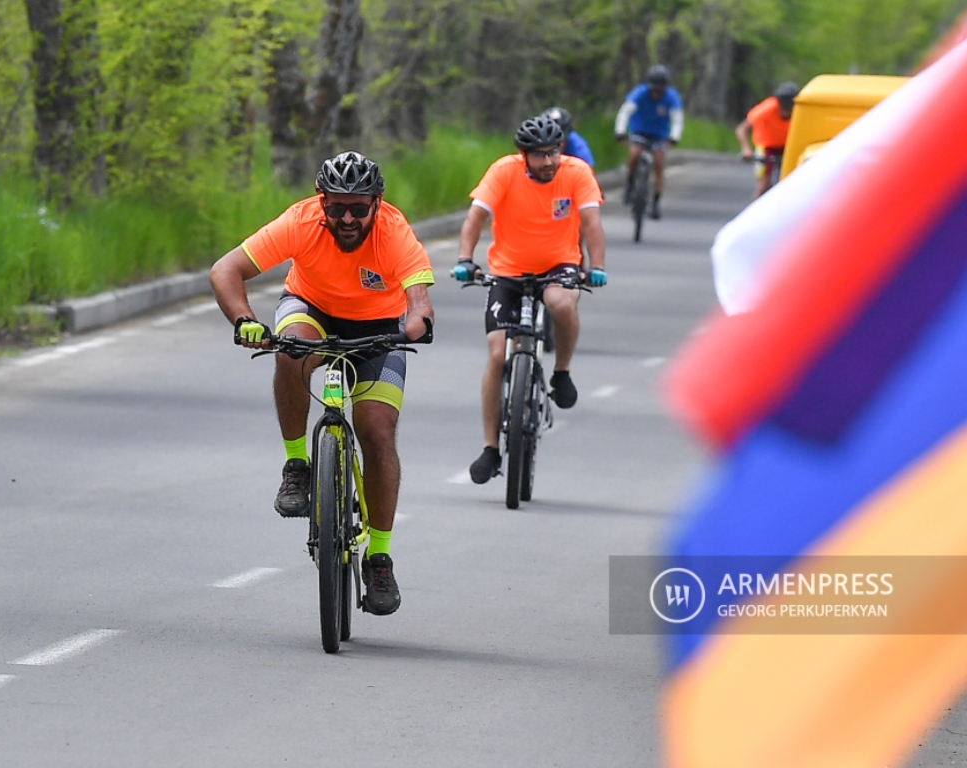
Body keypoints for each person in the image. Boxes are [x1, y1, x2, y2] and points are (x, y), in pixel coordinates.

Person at [209, 151, 435, 616]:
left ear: (378, 202)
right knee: (290, 349)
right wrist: (244, 320)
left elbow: (418, 302)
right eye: (336, 207)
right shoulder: (300, 221)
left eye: (358, 207)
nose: (347, 218)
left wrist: (417, 324)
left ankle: (379, 557)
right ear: (321, 202)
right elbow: (224, 270)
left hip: (378, 327)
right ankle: (297, 467)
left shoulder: (395, 232)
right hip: (311, 308)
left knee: (376, 429)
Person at [451, 115, 607, 484]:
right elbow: (475, 218)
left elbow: (591, 223)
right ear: (524, 157)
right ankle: (491, 448)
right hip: (507, 271)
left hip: (559, 265)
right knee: (495, 354)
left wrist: (596, 265)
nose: (549, 161)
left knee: (561, 304)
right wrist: (463, 259)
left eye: (553, 152)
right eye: (539, 155)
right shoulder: (504, 172)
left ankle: (562, 373)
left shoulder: (577, 172)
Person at [614, 64, 684, 220]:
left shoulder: (672, 97)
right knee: (634, 154)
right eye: (654, 90)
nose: (656, 94)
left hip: (659, 135)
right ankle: (630, 184)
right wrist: (620, 131)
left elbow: (677, 119)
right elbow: (625, 112)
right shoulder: (640, 92)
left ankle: (656, 203)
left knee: (659, 163)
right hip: (639, 131)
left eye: (660, 90)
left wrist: (674, 137)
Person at [736, 81, 800, 199]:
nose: (786, 113)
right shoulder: (766, 109)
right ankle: (755, 209)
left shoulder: (800, 112)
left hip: (787, 146)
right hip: (767, 145)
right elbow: (742, 129)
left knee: (792, 180)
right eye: (783, 108)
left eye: (790, 108)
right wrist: (746, 149)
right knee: (764, 182)